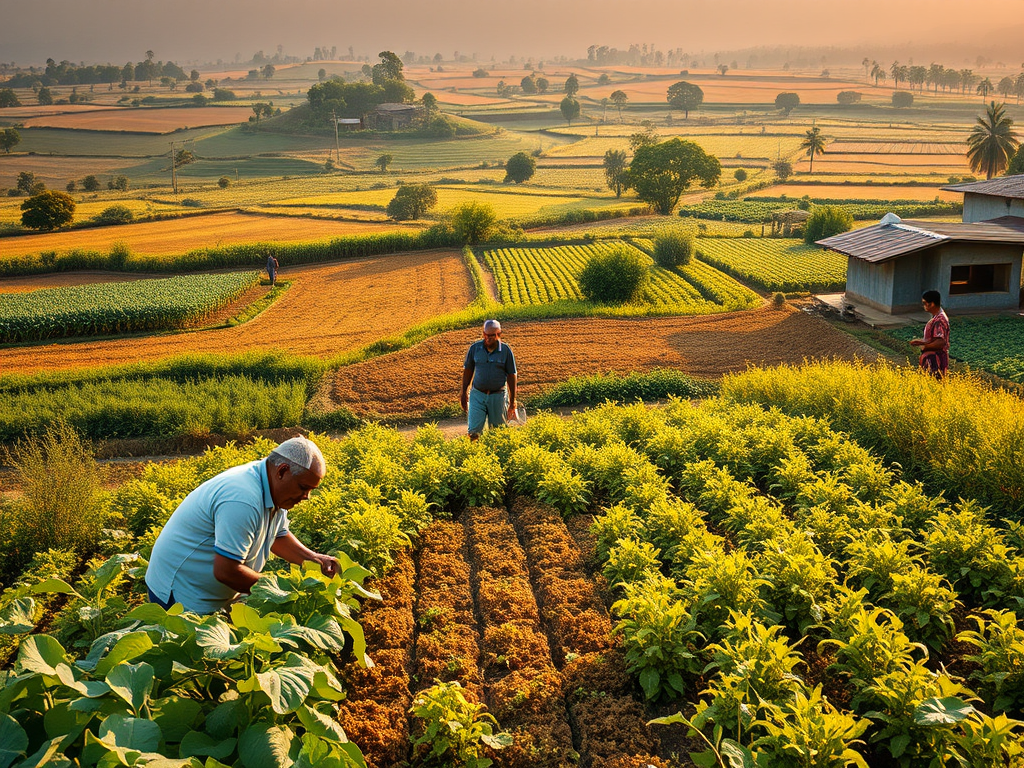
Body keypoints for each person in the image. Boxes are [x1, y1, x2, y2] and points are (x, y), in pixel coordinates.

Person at [145, 436, 338, 614]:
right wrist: (282, 589)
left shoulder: (276, 489)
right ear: (282, 471)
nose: (306, 497)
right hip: (178, 594)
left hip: (215, 594)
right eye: (304, 488)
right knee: (186, 648)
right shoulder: (242, 498)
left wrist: (314, 559)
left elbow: (277, 537)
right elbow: (227, 571)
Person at [460, 319, 517, 440]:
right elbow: (468, 371)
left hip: (498, 396)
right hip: (477, 394)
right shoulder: (475, 348)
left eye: (491, 336)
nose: (487, 338)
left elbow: (512, 376)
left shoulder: (506, 351)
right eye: (485, 335)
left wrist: (512, 402)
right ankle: (473, 455)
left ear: (499, 334)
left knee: (498, 433)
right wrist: (463, 392)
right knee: (473, 432)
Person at [910, 289, 950, 378]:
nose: (923, 306)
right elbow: (934, 339)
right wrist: (921, 342)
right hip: (932, 359)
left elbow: (940, 342)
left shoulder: (940, 320)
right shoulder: (936, 317)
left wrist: (925, 346)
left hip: (935, 360)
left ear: (931, 304)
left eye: (924, 303)